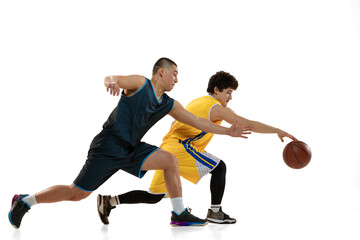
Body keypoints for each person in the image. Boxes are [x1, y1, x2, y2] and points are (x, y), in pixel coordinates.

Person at [8, 59, 251, 229]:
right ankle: (25, 201)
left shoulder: (169, 103)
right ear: (161, 72)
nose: (177, 78)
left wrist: (227, 132)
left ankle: (179, 213)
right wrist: (111, 82)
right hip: (107, 146)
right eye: (174, 73)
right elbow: (112, 77)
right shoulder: (141, 83)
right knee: (77, 194)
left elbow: (198, 121)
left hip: (133, 148)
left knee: (169, 159)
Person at [97, 70, 297, 224]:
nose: (230, 98)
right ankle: (215, 212)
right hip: (181, 147)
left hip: (168, 146)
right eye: (228, 92)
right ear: (216, 90)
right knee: (219, 167)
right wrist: (277, 130)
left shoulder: (199, 101)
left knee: (155, 196)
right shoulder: (215, 107)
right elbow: (246, 122)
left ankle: (110, 201)